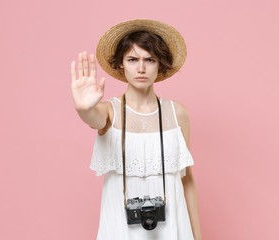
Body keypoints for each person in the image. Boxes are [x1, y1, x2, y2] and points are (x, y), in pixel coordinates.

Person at [71, 19, 202, 240]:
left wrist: (198, 236)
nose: (141, 68)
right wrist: (83, 108)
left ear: (160, 64)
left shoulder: (177, 113)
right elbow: (93, 118)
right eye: (132, 59)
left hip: (173, 227)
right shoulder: (108, 111)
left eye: (149, 60)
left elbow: (187, 179)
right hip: (121, 229)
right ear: (121, 64)